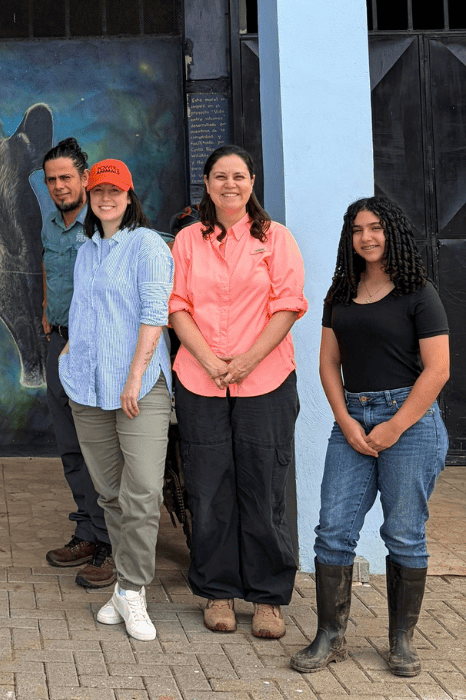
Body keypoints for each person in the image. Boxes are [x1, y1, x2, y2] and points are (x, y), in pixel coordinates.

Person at [291, 197, 449, 676]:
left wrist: (394, 426)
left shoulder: (418, 292)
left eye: (376, 228)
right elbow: (327, 362)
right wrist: (345, 421)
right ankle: (330, 637)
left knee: (403, 535)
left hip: (411, 422)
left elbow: (438, 369)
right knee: (333, 531)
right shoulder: (340, 292)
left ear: (392, 232)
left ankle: (401, 640)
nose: (366, 237)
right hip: (354, 419)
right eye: (357, 230)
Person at [168, 144, 307, 639]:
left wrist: (247, 360)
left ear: (252, 182)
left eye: (240, 176)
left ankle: (268, 598)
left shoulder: (276, 239)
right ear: (206, 184)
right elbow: (176, 304)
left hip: (265, 379)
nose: (231, 184)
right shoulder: (187, 241)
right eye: (221, 176)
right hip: (200, 379)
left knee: (265, 486)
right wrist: (208, 359)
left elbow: (288, 306)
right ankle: (218, 590)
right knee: (208, 488)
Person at [59, 159, 173, 642]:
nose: (106, 198)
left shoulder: (147, 244)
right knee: (108, 492)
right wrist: (69, 354)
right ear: (91, 194)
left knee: (143, 490)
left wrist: (133, 375)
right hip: (88, 387)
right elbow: (82, 310)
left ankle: (134, 590)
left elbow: (155, 311)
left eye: (116, 190)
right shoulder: (86, 249)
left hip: (138, 388)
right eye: (99, 190)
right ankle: (124, 591)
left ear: (130, 197)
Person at [38, 138, 114, 590]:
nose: (59, 186)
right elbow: (49, 268)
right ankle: (86, 531)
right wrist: (47, 313)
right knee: (70, 446)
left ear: (85, 179)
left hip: (97, 349)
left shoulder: (106, 221)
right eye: (52, 179)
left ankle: (109, 543)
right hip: (59, 344)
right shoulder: (50, 223)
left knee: (99, 449)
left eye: (67, 177)